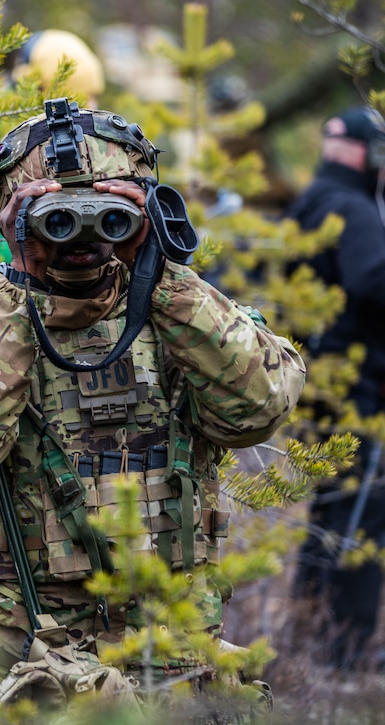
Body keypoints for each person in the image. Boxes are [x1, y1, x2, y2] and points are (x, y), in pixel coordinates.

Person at [0, 100, 306, 691]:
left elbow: (262, 408)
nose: (82, 236)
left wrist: (159, 271)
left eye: (108, 213)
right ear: (10, 220)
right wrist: (21, 279)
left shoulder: (182, 324)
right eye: (56, 217)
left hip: (169, 649)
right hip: (21, 653)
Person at [288, 105, 385, 670]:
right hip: (355, 389)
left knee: (331, 512)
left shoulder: (316, 198)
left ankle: (310, 626)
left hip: (321, 383)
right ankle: (344, 653)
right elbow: (373, 280)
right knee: (359, 515)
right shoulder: (351, 207)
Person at [0, 29, 106, 271]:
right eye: (79, 97)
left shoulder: (96, 137)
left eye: (92, 96)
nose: (91, 107)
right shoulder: (1, 143)